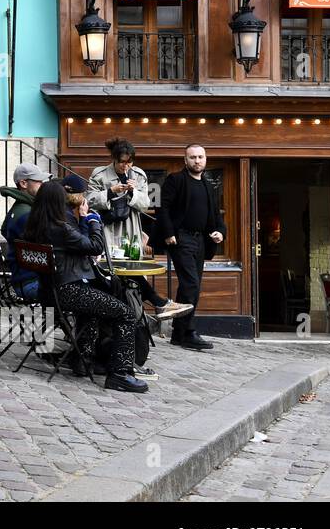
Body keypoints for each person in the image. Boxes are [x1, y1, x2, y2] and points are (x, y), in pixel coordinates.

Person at [24, 180, 147, 392]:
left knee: (91, 312)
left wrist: (81, 222)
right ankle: (120, 373)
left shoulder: (37, 225)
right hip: (68, 290)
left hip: (50, 292)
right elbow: (95, 246)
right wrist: (92, 220)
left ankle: (83, 360)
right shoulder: (60, 227)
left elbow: (79, 244)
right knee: (125, 314)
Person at [87, 137, 193, 323]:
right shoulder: (100, 174)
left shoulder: (139, 175)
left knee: (129, 270)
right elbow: (89, 201)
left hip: (131, 229)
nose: (125, 167)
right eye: (122, 162)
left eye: (129, 163)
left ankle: (138, 315)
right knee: (113, 271)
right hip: (108, 229)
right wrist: (111, 192)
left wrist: (132, 193)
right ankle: (153, 305)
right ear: (114, 159)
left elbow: (145, 205)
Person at [153, 144, 226, 352]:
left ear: (206, 159)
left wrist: (220, 231)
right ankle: (189, 331)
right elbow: (162, 208)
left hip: (201, 240)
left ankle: (178, 333)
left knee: (190, 285)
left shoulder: (208, 185)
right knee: (191, 283)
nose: (197, 160)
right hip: (181, 238)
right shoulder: (176, 180)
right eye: (192, 157)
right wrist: (168, 233)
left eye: (200, 157)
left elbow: (216, 214)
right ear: (185, 160)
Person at [0, 163, 48, 243]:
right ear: (23, 184)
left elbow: (4, 231)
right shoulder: (26, 212)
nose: (42, 184)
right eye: (38, 181)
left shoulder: (22, 207)